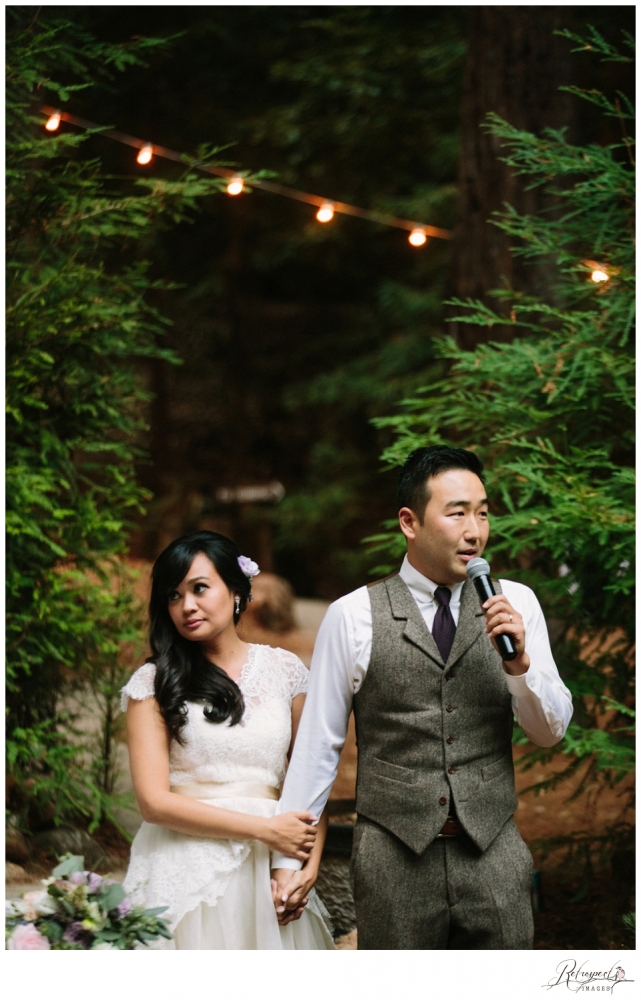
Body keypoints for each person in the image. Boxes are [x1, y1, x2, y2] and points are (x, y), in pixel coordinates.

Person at [271, 445, 573, 949]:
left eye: (482, 512)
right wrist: (289, 862)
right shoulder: (353, 616)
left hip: (493, 853)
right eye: (456, 513)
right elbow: (318, 748)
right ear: (410, 522)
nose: (475, 530)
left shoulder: (516, 603)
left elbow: (550, 732)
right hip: (392, 860)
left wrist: (519, 668)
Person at [121, 530, 335, 949]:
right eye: (173, 595)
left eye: (200, 588)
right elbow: (153, 802)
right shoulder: (153, 682)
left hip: (273, 869)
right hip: (185, 868)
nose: (187, 606)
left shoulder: (285, 670)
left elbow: (312, 777)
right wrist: (265, 830)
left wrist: (303, 867)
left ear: (236, 591)